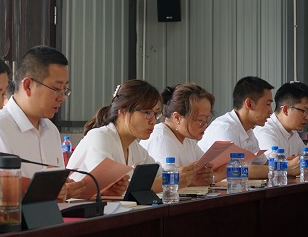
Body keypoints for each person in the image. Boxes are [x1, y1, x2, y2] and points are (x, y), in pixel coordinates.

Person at [67, 80, 209, 197]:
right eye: (147, 113)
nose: (153, 120)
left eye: (156, 114)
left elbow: (160, 175)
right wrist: (174, 179)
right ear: (123, 111)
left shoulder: (134, 147)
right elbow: (108, 186)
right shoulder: (100, 137)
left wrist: (188, 178)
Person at [0, 46, 70, 177]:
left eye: (65, 89)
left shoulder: (52, 131)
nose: (62, 97)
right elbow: (0, 186)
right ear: (28, 85)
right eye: (56, 89)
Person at [198, 76, 274, 178]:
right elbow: (236, 170)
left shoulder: (248, 131)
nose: (271, 111)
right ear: (249, 104)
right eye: (268, 104)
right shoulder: (225, 128)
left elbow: (264, 165)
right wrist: (286, 169)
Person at [141, 84, 215, 184]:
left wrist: (206, 174)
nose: (205, 125)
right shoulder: (162, 139)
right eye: (200, 119)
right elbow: (168, 182)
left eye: (207, 118)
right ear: (177, 117)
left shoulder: (188, 138)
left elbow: (204, 169)